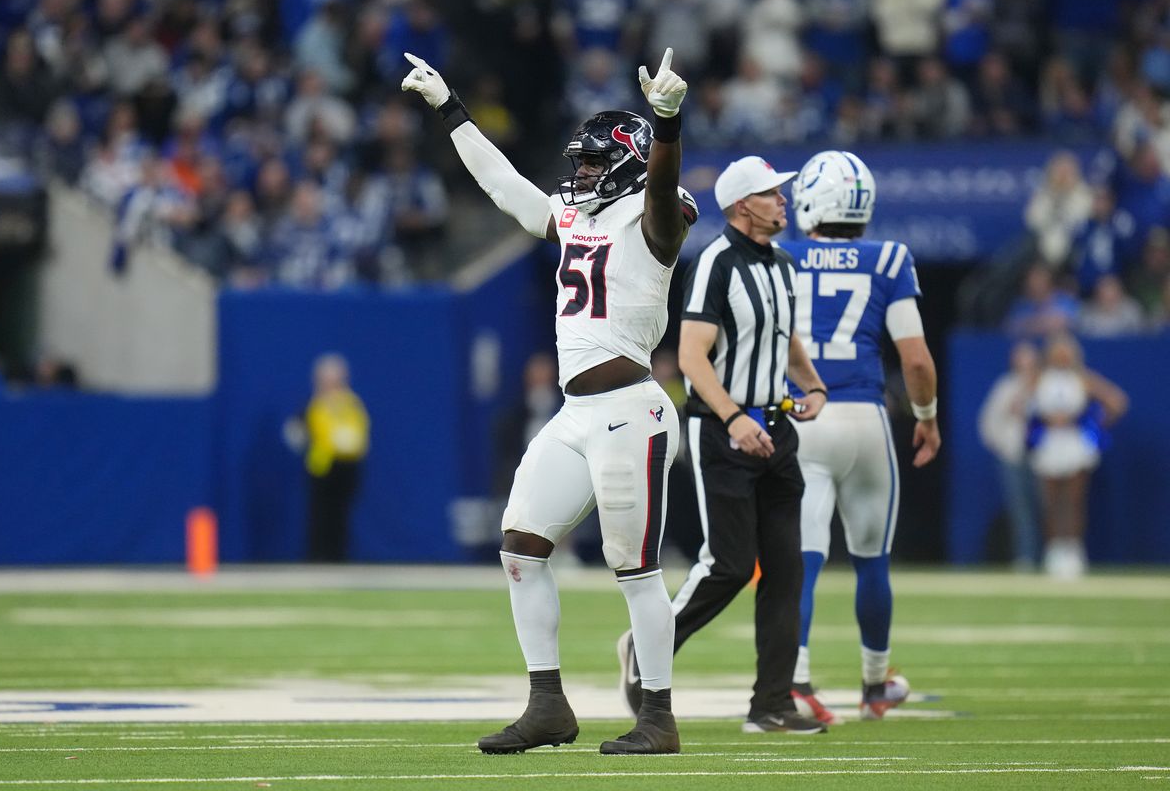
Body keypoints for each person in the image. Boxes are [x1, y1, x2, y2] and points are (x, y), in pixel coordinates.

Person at [403, 48, 697, 755]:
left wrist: (666, 124)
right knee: (519, 549)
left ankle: (656, 716)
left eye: (595, 163)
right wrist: (451, 109)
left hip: (632, 410)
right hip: (576, 415)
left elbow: (662, 192)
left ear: (626, 161)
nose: (582, 173)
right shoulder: (572, 215)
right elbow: (505, 187)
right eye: (582, 162)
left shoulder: (656, 214)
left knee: (636, 567)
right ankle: (547, 706)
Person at [621, 155, 830, 735]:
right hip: (723, 429)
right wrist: (735, 416)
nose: (783, 202)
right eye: (771, 194)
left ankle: (771, 705)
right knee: (729, 564)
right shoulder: (715, 261)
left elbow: (784, 341)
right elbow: (691, 358)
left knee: (786, 569)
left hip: (776, 429)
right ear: (742, 205)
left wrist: (811, 384)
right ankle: (645, 647)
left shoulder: (784, 265)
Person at [777, 150, 941, 724]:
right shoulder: (890, 258)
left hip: (802, 416)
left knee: (801, 561)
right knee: (873, 561)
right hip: (867, 419)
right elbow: (915, 359)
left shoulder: (778, 255)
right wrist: (926, 415)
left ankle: (794, 682)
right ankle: (875, 684)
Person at [1029, 332, 1128, 579]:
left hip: (1074, 442)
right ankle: (1053, 552)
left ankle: (1073, 552)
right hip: (1049, 443)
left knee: (1073, 501)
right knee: (1051, 502)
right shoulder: (1039, 378)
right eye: (1057, 352)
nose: (1061, 357)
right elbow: (1021, 405)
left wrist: (1091, 424)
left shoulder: (1082, 378)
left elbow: (1117, 401)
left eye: (1066, 353)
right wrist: (1046, 420)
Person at [285, 353, 371, 562]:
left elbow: (361, 430)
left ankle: (338, 555)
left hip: (348, 464)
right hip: (322, 464)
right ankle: (317, 555)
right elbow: (294, 432)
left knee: (341, 512)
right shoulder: (313, 404)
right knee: (320, 512)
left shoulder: (351, 403)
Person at [978, 341, 1043, 570]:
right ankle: (1026, 557)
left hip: (1045, 459)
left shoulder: (1045, 384)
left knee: (1048, 508)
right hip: (1013, 457)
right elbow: (988, 422)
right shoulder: (1005, 387)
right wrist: (1003, 448)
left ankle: (1055, 557)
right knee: (1021, 510)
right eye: (1020, 359)